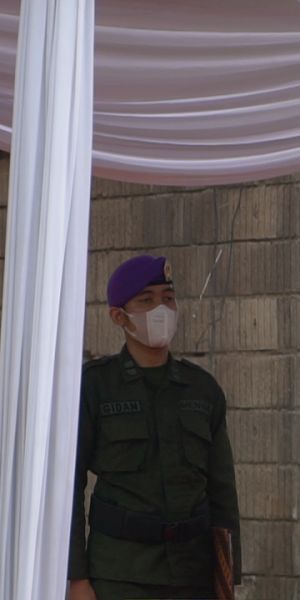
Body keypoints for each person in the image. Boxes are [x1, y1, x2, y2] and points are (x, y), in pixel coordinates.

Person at [68, 255, 241, 600]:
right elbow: (69, 486)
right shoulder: (95, 387)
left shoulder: (201, 389)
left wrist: (227, 576)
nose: (161, 309)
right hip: (120, 573)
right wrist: (76, 578)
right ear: (119, 316)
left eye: (168, 298)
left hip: (193, 572)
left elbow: (222, 491)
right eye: (146, 300)